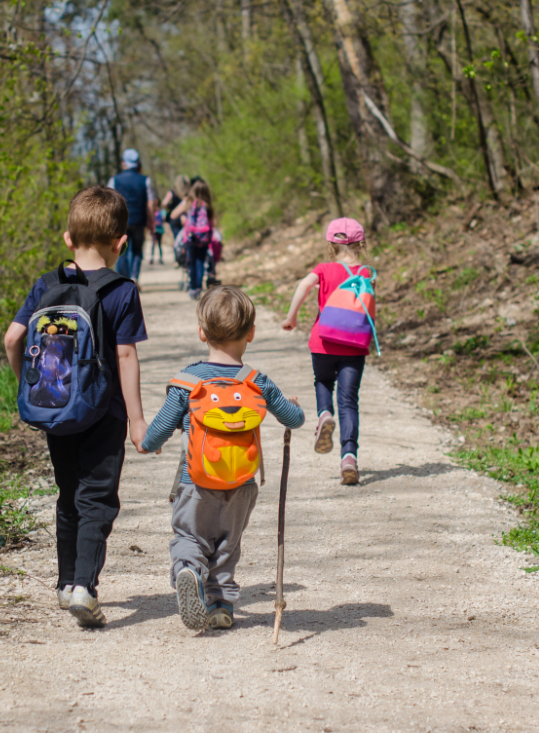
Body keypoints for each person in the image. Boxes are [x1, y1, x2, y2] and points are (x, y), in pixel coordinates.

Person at [4, 186, 150, 627]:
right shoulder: (122, 291)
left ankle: (66, 583)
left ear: (68, 239)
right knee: (97, 499)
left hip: (56, 405)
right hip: (104, 412)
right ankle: (85, 588)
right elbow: (125, 355)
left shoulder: (46, 285)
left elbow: (12, 339)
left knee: (68, 495)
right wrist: (137, 420)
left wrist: (32, 387)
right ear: (121, 243)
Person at [139, 286, 304, 630]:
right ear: (251, 333)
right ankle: (220, 605)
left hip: (195, 481)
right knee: (228, 544)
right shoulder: (257, 383)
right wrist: (295, 407)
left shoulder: (188, 382)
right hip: (242, 483)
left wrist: (146, 442)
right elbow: (294, 419)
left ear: (202, 333)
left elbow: (160, 429)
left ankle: (188, 569)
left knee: (190, 537)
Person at [279, 217, 373, 486]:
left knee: (322, 381)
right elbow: (368, 306)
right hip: (354, 345)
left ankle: (324, 414)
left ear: (331, 245)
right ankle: (349, 458)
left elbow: (303, 286)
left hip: (323, 342)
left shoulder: (323, 269)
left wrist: (292, 317)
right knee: (349, 401)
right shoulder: (366, 273)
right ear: (361, 244)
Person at [107, 148, 157, 283]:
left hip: (121, 222)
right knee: (137, 249)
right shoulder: (145, 180)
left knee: (121, 249)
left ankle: (124, 279)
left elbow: (108, 202)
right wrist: (151, 221)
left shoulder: (114, 180)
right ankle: (134, 276)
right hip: (139, 220)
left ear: (123, 163)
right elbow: (150, 203)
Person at [171, 179, 214, 300]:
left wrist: (184, 218)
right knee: (200, 261)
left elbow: (173, 215)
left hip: (191, 237)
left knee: (192, 262)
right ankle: (198, 288)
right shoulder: (208, 205)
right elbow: (213, 222)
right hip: (204, 238)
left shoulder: (189, 203)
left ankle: (193, 287)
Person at [161, 174, 191, 240]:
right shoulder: (187, 194)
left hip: (175, 218)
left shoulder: (172, 192)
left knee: (178, 238)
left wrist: (169, 207)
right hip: (181, 217)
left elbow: (164, 203)